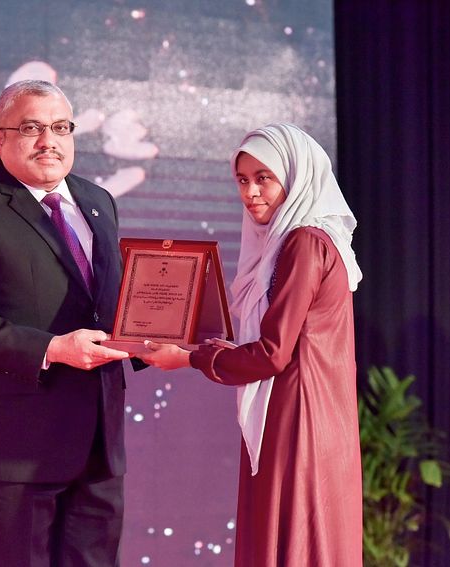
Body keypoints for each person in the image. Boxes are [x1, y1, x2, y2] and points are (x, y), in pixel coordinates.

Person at [0, 79, 132, 566]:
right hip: (17, 447)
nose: (49, 141)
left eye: (61, 128)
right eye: (31, 128)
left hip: (100, 443)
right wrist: (54, 349)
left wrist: (155, 340)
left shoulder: (99, 201)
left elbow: (110, 305)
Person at [139, 123, 364, 566]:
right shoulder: (309, 240)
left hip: (296, 417)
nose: (250, 192)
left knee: (292, 544)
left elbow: (272, 354)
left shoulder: (303, 242)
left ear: (295, 177)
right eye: (242, 180)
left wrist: (192, 357)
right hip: (311, 413)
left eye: (264, 178)